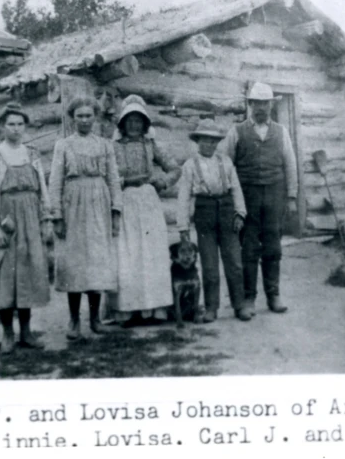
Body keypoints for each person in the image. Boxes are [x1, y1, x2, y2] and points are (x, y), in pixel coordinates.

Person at [217, 82, 298, 315]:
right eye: (256, 103)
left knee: (273, 245)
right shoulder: (237, 131)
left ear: (271, 105)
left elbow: (290, 165)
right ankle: (249, 298)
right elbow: (226, 165)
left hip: (275, 195)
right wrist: (231, 200)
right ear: (250, 105)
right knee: (249, 247)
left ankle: (274, 295)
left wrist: (291, 196)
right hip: (247, 196)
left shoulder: (281, 132)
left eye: (265, 103)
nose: (261, 107)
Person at [0, 104, 52, 354]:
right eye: (11, 124)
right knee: (6, 277)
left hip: (30, 218)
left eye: (20, 124)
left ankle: (27, 332)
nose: (16, 129)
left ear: (25, 127)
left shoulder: (31, 155)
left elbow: (41, 188)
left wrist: (45, 219)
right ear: (2, 126)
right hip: (7, 220)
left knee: (27, 275)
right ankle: (8, 333)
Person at [48, 97, 123, 340]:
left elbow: (113, 179)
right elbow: (55, 181)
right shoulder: (63, 145)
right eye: (79, 116)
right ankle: (73, 320)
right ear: (72, 118)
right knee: (75, 263)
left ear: (95, 117)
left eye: (88, 115)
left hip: (99, 204)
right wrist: (57, 216)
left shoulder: (104, 145)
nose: (84, 120)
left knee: (97, 263)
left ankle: (95, 319)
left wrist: (115, 212)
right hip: (73, 205)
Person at [109, 95, 181, 327]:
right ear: (122, 123)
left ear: (145, 123)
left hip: (148, 200)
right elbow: (107, 175)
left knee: (152, 253)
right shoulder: (113, 147)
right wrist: (117, 184)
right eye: (129, 120)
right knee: (128, 253)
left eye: (138, 120)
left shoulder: (151, 145)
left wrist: (162, 183)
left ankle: (155, 307)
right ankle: (128, 310)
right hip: (126, 200)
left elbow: (174, 168)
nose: (134, 125)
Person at [177, 119, 250, 323]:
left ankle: (239, 305)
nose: (208, 145)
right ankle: (211, 307)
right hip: (204, 214)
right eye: (204, 141)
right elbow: (183, 196)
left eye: (212, 141)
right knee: (209, 265)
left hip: (227, 213)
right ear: (197, 142)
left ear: (217, 143)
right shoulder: (190, 166)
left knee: (234, 262)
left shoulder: (225, 162)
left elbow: (235, 188)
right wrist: (183, 226)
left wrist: (240, 214)